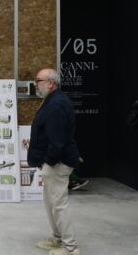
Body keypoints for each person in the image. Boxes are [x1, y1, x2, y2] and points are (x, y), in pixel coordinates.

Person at [28, 68, 80, 255]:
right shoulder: (51, 100)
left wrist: (48, 162)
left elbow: (57, 141)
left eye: (38, 80)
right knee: (51, 203)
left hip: (58, 163)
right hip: (53, 162)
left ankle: (70, 247)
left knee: (58, 204)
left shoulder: (56, 104)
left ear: (51, 83)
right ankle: (58, 238)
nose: (35, 84)